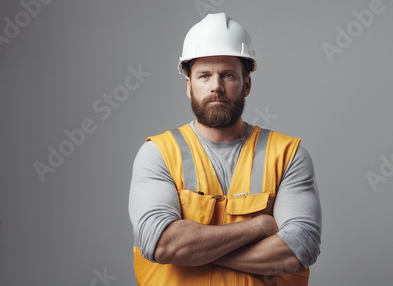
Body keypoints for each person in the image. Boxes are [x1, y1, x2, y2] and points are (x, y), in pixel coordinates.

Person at [129, 12, 322, 286]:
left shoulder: (287, 155)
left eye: (228, 75)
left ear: (247, 84)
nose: (216, 87)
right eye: (204, 76)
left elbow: (298, 249)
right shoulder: (158, 153)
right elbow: (161, 244)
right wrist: (260, 226)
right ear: (189, 86)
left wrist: (193, 251)